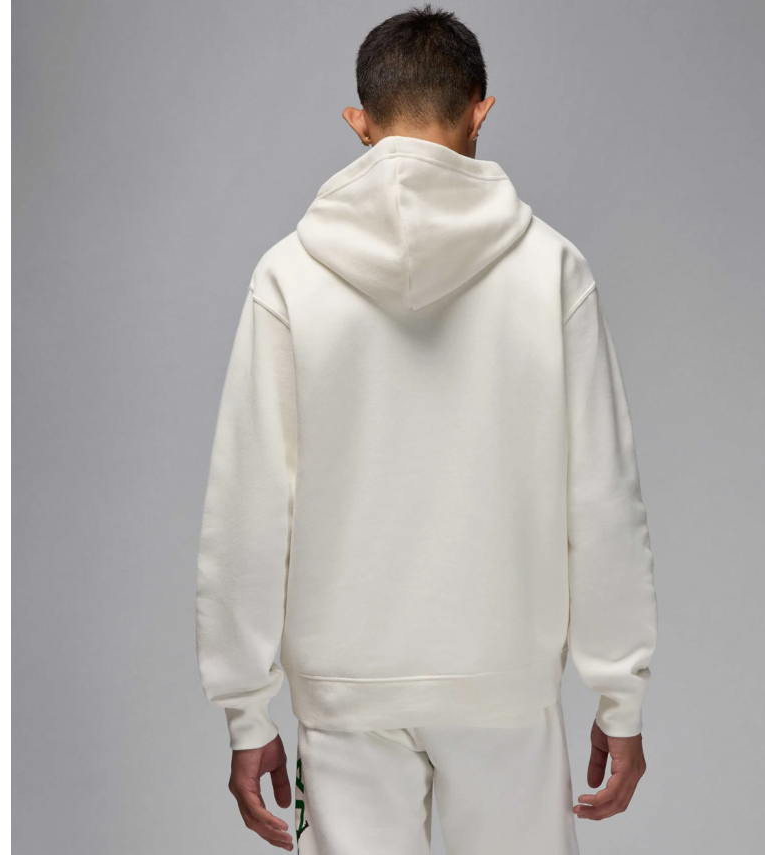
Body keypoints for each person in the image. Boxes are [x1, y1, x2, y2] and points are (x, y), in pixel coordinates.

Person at [195, 5, 658, 853]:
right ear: (481, 110)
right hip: (505, 685)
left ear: (359, 122)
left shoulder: (289, 276)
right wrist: (619, 695)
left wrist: (245, 712)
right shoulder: (552, 270)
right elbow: (601, 496)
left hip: (345, 689)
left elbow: (249, 504)